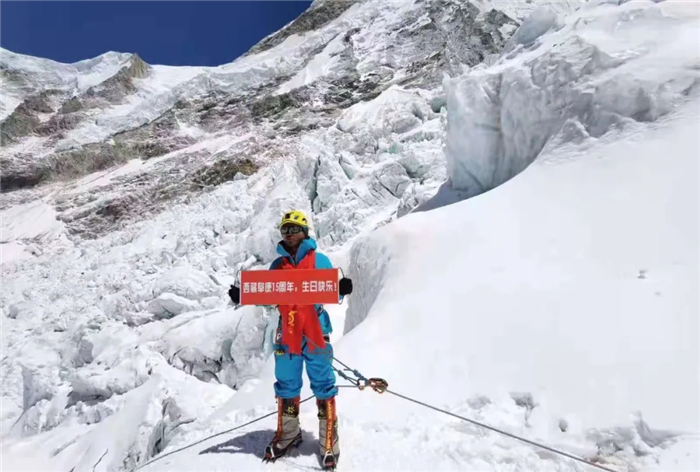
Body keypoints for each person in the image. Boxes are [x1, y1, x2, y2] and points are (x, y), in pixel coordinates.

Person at [228, 210, 353, 469]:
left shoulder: (320, 261)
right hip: (288, 331)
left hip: (316, 329)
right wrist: (243, 295)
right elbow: (268, 297)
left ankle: (329, 438)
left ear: (305, 232)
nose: (289, 233)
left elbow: (329, 289)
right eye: (285, 229)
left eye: (294, 228)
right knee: (286, 383)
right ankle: (288, 432)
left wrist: (341, 288)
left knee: (323, 382)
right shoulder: (277, 266)